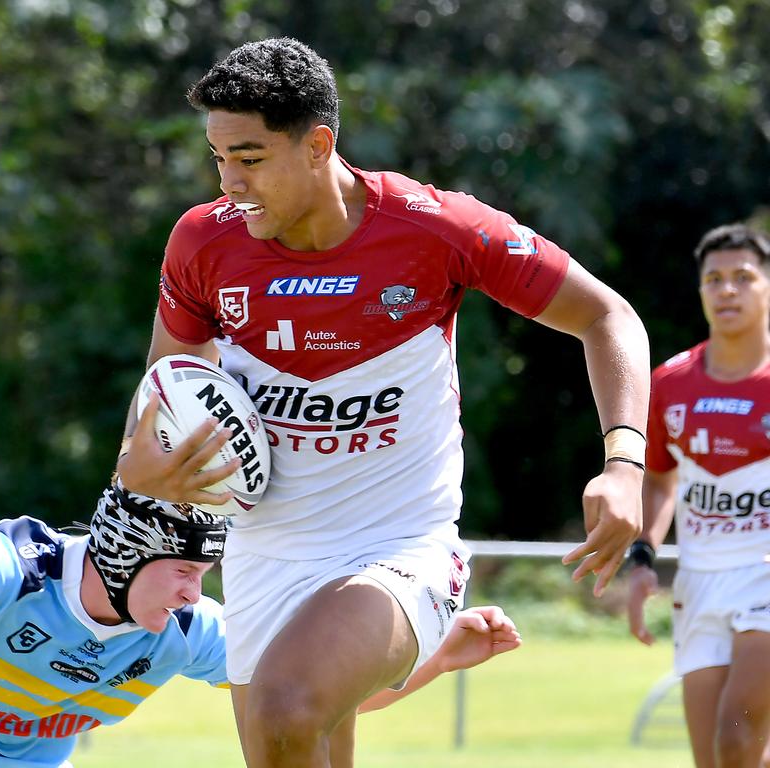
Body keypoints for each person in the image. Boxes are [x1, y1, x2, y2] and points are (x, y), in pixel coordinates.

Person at [116, 37, 650, 768]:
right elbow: (165, 388)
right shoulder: (202, 243)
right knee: (293, 744)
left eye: (249, 158)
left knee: (285, 708)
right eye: (219, 160)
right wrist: (142, 471)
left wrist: (623, 462)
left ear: (317, 145)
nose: (230, 181)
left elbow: (608, 318)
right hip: (262, 551)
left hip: (399, 546)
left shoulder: (436, 229)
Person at [0, 480, 522, 768]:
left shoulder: (185, 632)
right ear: (124, 553)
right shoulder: (19, 564)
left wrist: (441, 659)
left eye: (203, 575)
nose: (193, 591)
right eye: (182, 571)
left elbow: (326, 705)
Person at [627, 223, 770, 768]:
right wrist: (643, 560)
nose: (727, 290)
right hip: (699, 580)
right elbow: (659, 479)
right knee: (713, 758)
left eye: (743, 277)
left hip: (764, 573)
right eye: (714, 279)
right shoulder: (671, 382)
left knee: (737, 739)